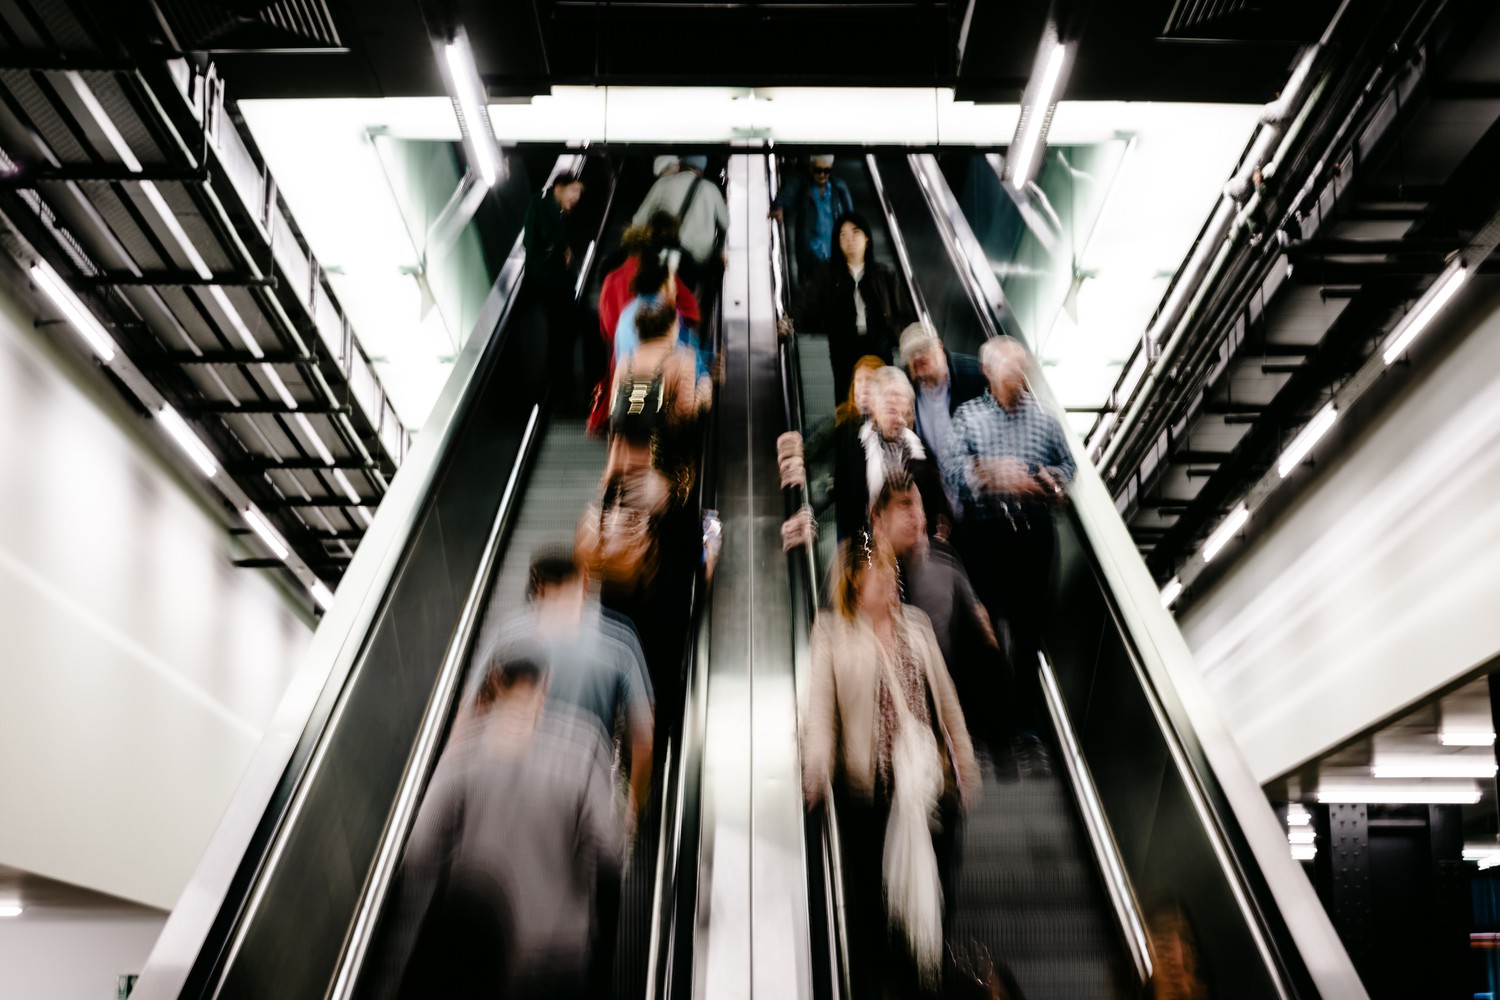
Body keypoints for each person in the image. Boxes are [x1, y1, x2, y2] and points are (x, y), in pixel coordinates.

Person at [365, 655, 623, 1000]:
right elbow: (609, 851)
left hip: (480, 954)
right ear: (544, 686)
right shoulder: (584, 747)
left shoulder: (464, 754)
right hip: (560, 955)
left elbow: (420, 850)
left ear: (495, 683)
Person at [802, 537, 978, 998]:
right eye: (878, 574)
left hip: (930, 790)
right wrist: (816, 767)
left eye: (890, 571)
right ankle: (891, 977)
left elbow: (947, 701)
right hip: (873, 799)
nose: (890, 580)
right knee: (881, 903)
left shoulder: (916, 625)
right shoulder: (832, 634)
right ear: (854, 585)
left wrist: (965, 760)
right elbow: (820, 713)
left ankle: (929, 970)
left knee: (936, 890)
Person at [943, 337, 1074, 760]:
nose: (1019, 373)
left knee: (1027, 633)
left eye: (1022, 366)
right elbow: (952, 468)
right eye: (1010, 366)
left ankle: (1025, 732)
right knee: (985, 632)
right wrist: (989, 474)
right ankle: (988, 732)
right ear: (987, 371)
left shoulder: (1043, 419)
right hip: (986, 535)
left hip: (1033, 534)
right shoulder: (968, 416)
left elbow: (1067, 465)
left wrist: (1047, 480)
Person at [788, 211, 914, 405]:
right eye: (843, 235)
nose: (849, 240)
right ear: (837, 242)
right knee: (846, 397)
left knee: (882, 395)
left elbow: (904, 311)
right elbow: (806, 302)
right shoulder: (827, 273)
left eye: (855, 233)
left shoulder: (884, 274)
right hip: (843, 346)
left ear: (867, 238)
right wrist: (789, 322)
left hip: (877, 343)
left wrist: (899, 337)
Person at [591, 214, 701, 435]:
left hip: (623, 361)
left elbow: (606, 328)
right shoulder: (661, 278)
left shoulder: (612, 280)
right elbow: (692, 312)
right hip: (662, 365)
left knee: (629, 412)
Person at [834, 366, 950, 544]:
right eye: (889, 403)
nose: (898, 417)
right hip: (869, 549)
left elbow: (936, 509)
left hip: (913, 549)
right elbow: (846, 509)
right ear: (874, 406)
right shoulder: (852, 444)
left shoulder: (919, 450)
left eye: (901, 402)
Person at [899, 322, 986, 520]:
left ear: (939, 346)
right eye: (911, 354)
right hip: (942, 510)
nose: (917, 357)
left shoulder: (975, 375)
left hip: (984, 505)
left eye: (923, 349)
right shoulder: (906, 388)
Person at [524, 172, 587, 414]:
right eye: (574, 191)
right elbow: (535, 243)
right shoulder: (540, 205)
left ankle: (564, 395)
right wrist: (560, 249)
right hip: (551, 287)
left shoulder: (555, 212)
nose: (576, 198)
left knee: (564, 339)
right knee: (559, 340)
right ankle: (560, 396)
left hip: (558, 287)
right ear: (559, 187)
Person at [632, 154, 728, 294]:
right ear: (702, 169)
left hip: (662, 253)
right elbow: (726, 224)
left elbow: (638, 221)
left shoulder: (663, 183)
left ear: (681, 164)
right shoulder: (711, 189)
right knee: (688, 295)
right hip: (696, 261)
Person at [770, 153, 855, 283]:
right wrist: (779, 206)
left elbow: (851, 218)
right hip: (811, 255)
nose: (822, 175)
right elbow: (789, 191)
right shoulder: (804, 187)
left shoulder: (839, 188)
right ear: (811, 168)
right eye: (818, 170)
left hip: (834, 253)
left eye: (826, 171)